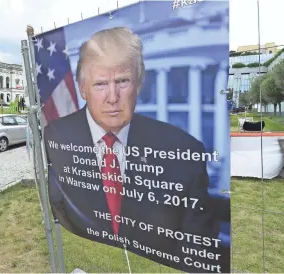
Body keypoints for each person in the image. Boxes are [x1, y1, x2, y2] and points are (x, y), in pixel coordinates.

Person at [44, 27, 223, 272]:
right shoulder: (56, 134)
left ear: (138, 84)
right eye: (100, 84)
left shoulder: (185, 151)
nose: (112, 97)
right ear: (82, 88)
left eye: (122, 81)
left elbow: (197, 249)